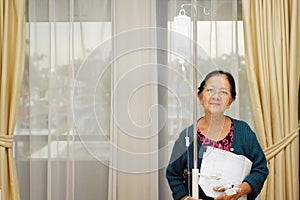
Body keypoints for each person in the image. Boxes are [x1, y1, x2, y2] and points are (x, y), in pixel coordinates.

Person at [166, 70, 268, 200]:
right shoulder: (187, 137)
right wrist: (185, 198)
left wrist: (239, 190)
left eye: (223, 92)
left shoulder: (243, 131)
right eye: (210, 90)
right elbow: (173, 174)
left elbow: (261, 168)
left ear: (230, 101)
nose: (216, 96)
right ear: (200, 96)